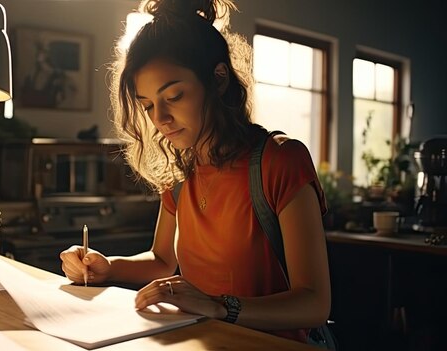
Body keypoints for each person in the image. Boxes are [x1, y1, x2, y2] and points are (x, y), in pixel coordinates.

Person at [60, 0, 331, 344]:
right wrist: (108, 267)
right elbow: (161, 260)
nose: (159, 118)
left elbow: (314, 303)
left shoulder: (279, 161)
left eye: (173, 96)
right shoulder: (179, 172)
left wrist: (220, 307)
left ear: (218, 79)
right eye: (148, 105)